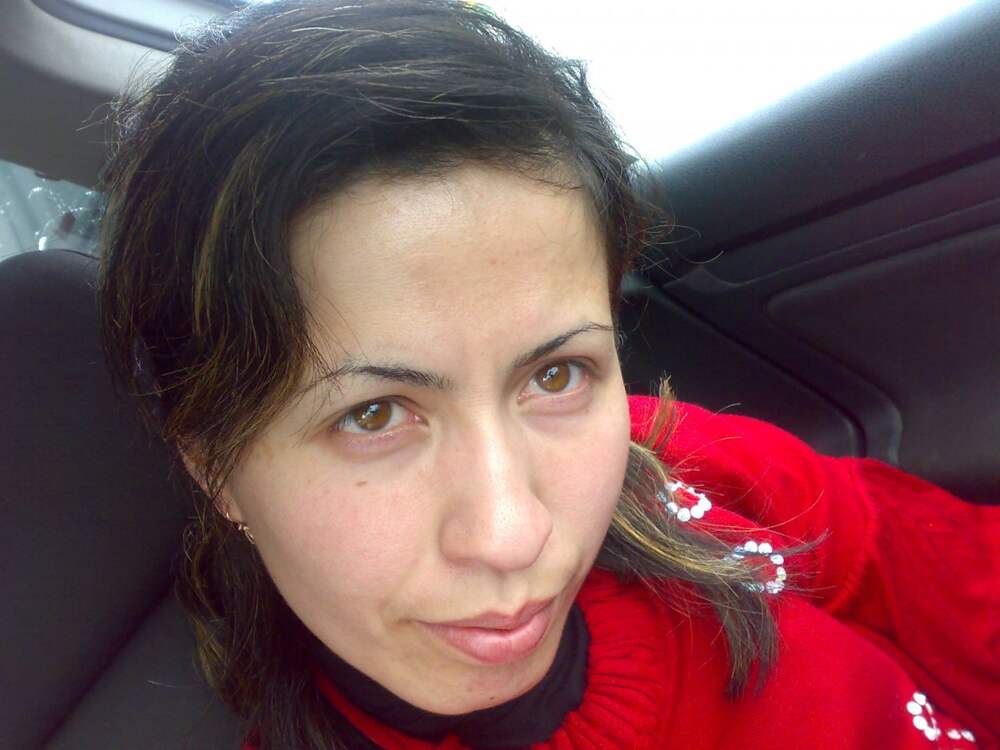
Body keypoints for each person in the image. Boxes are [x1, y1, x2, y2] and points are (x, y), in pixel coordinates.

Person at [96, 1, 999, 748]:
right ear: (214, 463)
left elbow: (938, 573)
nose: (514, 533)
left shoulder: (677, 456)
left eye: (557, 375)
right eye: (372, 415)